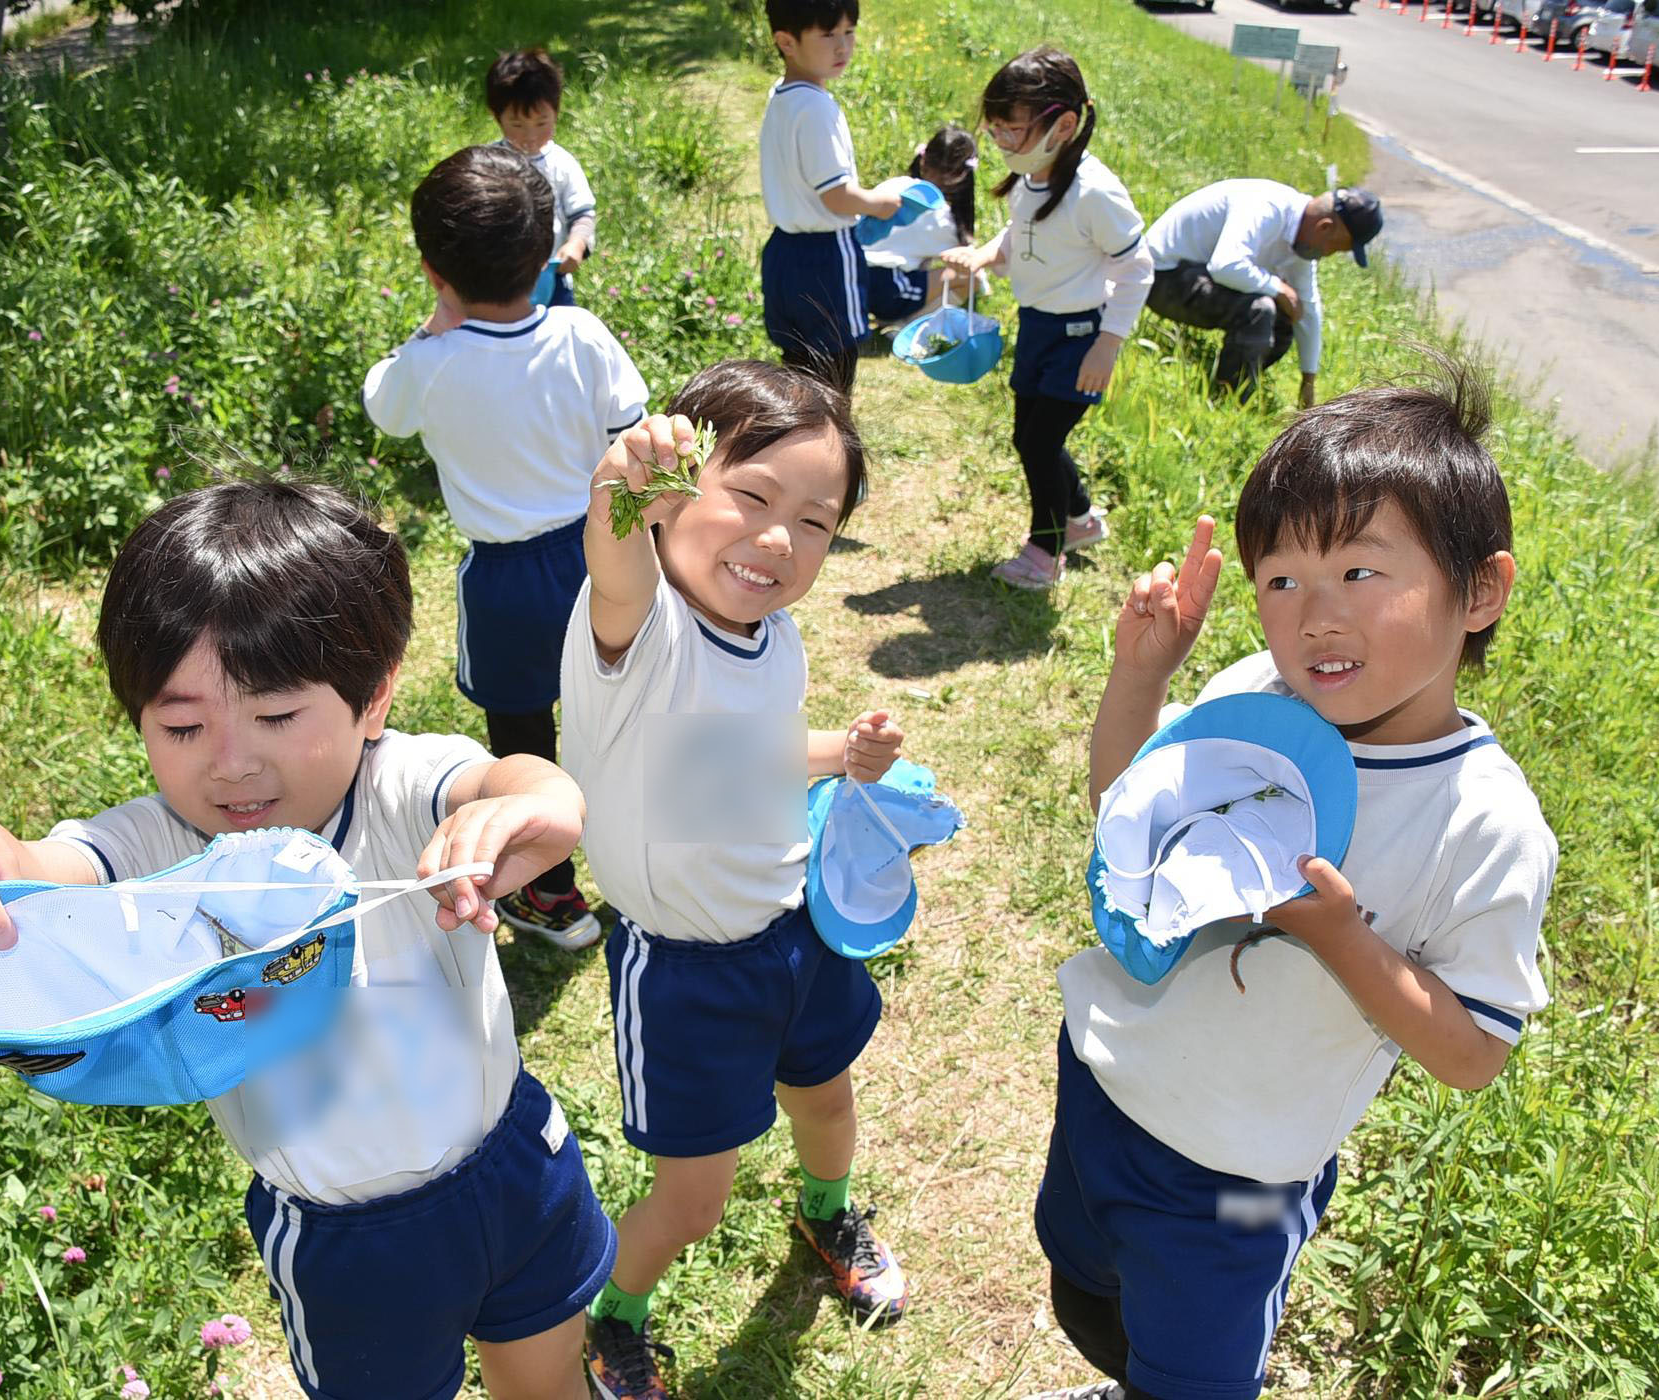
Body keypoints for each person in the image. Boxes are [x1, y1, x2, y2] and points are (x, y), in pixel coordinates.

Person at [0, 480, 618, 1400]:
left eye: (279, 715)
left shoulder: (401, 784)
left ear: (371, 701)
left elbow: (527, 785)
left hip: (512, 1166)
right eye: (182, 725)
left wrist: (529, 810)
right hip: (345, 1237)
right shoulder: (157, 849)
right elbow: (21, 877)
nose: (232, 762)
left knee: (550, 1381)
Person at [1033, 359, 1555, 1400]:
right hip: (1104, 1076)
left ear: (1478, 589)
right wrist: (1141, 675)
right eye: (1281, 579)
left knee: (1197, 1365)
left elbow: (1470, 1052)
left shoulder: (1482, 821)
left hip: (1235, 1172)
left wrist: (1337, 935)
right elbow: (1124, 819)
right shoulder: (1249, 696)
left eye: (1360, 572)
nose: (1315, 615)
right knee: (1082, 1287)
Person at [559, 361, 910, 1400]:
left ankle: (826, 1206)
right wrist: (621, 493)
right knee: (693, 1199)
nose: (776, 539)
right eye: (750, 497)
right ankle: (614, 1312)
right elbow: (616, 560)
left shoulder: (774, 634)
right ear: (677, 496)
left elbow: (750, 751)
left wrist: (836, 751)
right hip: (684, 972)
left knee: (827, 1098)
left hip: (794, 932)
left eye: (814, 521)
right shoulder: (639, 628)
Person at [364, 143, 647, 950]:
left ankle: (550, 898)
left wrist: (433, 323)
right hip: (602, 553)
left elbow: (383, 407)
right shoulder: (582, 335)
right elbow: (631, 430)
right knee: (617, 710)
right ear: (546, 246)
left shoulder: (431, 362)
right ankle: (634, 860)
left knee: (522, 735)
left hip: (503, 577)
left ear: (432, 271)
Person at [940, 47, 1151, 591]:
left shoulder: (1095, 193)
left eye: (1013, 132)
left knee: (1038, 442)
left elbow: (1137, 269)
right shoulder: (1032, 177)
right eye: (997, 133)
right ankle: (1079, 520)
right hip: (1037, 326)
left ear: (1064, 124)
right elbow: (1024, 236)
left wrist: (1108, 345)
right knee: (1029, 435)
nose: (1004, 145)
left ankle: (1045, 549)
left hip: (1079, 337)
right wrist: (988, 253)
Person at [759, 0, 911, 394]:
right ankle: (829, 448)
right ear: (786, 42)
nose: (842, 46)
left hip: (783, 251)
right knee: (834, 371)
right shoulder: (816, 107)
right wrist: (881, 202)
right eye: (828, 34)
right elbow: (837, 196)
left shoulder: (783, 95)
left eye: (849, 32)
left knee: (798, 366)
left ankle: (796, 444)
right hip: (825, 254)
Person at [1141, 179, 1383, 408]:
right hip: (1160, 277)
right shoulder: (1266, 207)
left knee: (1286, 315)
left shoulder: (1302, 241)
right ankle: (1230, 400)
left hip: (1195, 277)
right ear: (1325, 227)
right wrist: (1277, 287)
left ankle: (1235, 375)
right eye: (1334, 248)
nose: (1327, 255)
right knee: (1261, 308)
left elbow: (1307, 308)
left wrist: (1308, 381)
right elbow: (1225, 265)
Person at [486, 47, 598, 307]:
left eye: (541, 123)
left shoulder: (563, 164)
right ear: (496, 117)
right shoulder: (489, 163)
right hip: (499, 280)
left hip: (552, 276)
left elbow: (582, 213)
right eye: (517, 125)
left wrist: (576, 244)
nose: (530, 136)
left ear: (556, 114)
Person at [863, 124, 980, 325]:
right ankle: (906, 326)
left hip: (855, 278)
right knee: (972, 278)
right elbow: (967, 259)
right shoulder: (941, 215)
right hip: (887, 288)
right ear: (962, 176)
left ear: (924, 159)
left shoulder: (895, 184)